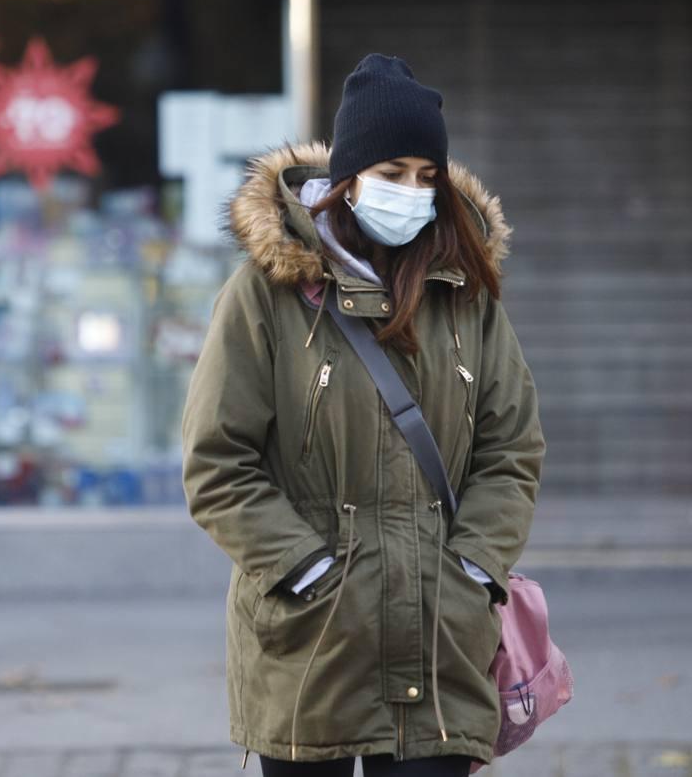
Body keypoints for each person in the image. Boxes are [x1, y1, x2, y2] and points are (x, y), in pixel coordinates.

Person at [181, 54, 546, 776]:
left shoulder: (465, 294)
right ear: (346, 180)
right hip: (310, 644)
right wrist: (306, 569)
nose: (411, 191)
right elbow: (217, 463)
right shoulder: (266, 295)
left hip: (440, 641)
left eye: (426, 174)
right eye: (391, 171)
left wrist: (472, 567)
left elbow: (511, 450)